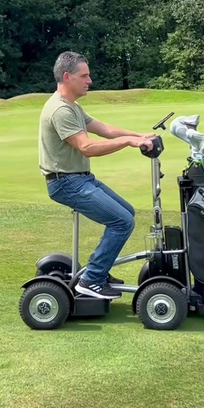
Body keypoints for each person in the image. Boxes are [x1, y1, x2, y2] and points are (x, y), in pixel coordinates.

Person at [38, 51, 155, 300]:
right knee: (122, 222)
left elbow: (104, 129)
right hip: (65, 182)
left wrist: (139, 136)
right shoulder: (60, 110)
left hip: (79, 178)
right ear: (67, 77)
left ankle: (98, 271)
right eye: (84, 76)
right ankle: (91, 279)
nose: (89, 81)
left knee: (127, 213)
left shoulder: (73, 107)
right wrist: (128, 142)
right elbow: (87, 147)